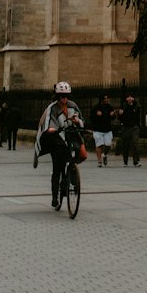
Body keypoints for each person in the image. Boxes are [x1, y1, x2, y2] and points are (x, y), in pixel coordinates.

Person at [33, 82, 85, 211]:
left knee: (78, 154)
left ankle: (72, 177)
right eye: (62, 96)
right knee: (58, 168)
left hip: (71, 136)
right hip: (56, 139)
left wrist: (77, 121)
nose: (64, 99)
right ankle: (55, 197)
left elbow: (81, 121)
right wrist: (51, 129)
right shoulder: (53, 108)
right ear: (57, 96)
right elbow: (48, 122)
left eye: (66, 96)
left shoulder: (73, 106)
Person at [90, 93, 114, 167]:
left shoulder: (110, 107)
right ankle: (99, 161)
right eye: (105, 98)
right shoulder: (96, 107)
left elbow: (113, 118)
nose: (106, 100)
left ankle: (104, 154)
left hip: (107, 129)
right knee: (99, 145)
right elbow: (91, 117)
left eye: (107, 98)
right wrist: (96, 115)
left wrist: (113, 115)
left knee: (108, 144)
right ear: (101, 100)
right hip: (97, 129)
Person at [119, 93, 141, 167]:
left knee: (135, 143)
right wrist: (120, 114)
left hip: (134, 127)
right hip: (126, 127)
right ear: (126, 99)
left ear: (133, 98)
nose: (129, 98)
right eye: (128, 97)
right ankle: (125, 161)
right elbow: (120, 118)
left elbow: (138, 117)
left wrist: (138, 126)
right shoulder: (123, 106)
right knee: (126, 144)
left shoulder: (136, 106)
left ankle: (136, 161)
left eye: (131, 97)